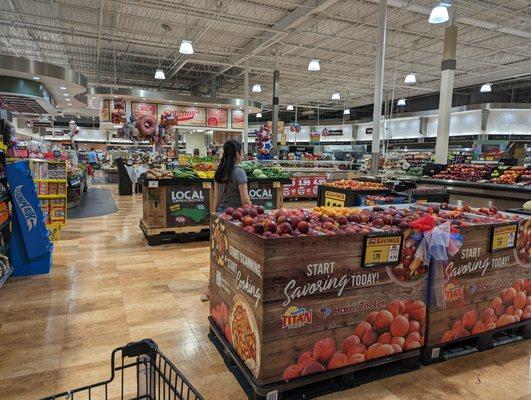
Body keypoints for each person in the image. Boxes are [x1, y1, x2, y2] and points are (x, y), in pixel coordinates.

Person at [201, 139, 251, 301]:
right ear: (237, 153)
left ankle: (211, 288)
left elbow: (215, 196)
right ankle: (233, 288)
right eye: (241, 151)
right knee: (235, 253)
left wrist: (213, 216)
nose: (242, 154)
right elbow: (245, 200)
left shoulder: (219, 171)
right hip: (236, 218)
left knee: (219, 252)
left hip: (221, 215)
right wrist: (254, 211)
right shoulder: (239, 172)